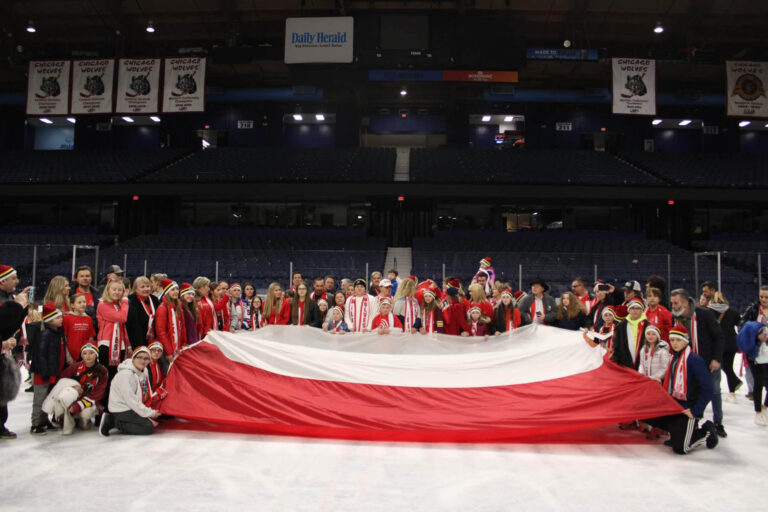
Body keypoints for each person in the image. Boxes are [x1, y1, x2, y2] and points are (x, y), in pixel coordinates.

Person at [645, 325, 718, 455]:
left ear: (685, 341)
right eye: (672, 340)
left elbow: (708, 389)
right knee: (647, 412)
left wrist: (696, 411)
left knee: (681, 448)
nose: (674, 343)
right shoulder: (674, 358)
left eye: (678, 340)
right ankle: (677, 431)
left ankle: (706, 430)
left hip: (688, 409)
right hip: (674, 405)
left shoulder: (694, 360)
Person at [670, 288, 726, 437]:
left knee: (713, 390)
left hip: (708, 361)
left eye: (676, 303)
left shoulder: (704, 314)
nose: (673, 306)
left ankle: (718, 422)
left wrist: (716, 359)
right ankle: (693, 421)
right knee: (691, 392)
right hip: (687, 363)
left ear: (686, 303)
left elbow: (719, 337)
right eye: (672, 303)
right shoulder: (675, 317)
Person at [42, 343, 106, 435]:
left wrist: (76, 407)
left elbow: (98, 394)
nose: (88, 356)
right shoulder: (76, 366)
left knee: (86, 414)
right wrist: (72, 386)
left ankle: (82, 419)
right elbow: (62, 379)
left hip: (89, 400)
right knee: (65, 397)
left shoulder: (102, 371)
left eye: (91, 353)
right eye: (85, 353)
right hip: (75, 398)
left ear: (96, 355)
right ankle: (67, 417)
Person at [99, 346, 160, 437]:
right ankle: (113, 421)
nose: (143, 361)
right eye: (139, 357)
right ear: (133, 358)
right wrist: (149, 412)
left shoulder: (144, 371)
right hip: (122, 409)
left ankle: (124, 421)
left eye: (146, 358)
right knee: (147, 427)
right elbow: (131, 400)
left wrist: (149, 409)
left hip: (133, 406)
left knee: (156, 419)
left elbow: (146, 391)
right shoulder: (126, 375)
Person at [96, 279, 130, 400]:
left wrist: (128, 344)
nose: (117, 292)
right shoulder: (102, 304)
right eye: (114, 289)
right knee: (107, 376)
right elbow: (122, 318)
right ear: (108, 290)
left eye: (120, 290)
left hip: (120, 344)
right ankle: (104, 403)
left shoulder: (119, 305)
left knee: (116, 376)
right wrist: (125, 301)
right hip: (106, 344)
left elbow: (123, 327)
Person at [708, 291, 742, 405]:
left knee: (724, 368)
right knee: (728, 367)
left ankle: (733, 384)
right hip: (731, 343)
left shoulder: (710, 312)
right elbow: (739, 324)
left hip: (719, 344)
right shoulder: (733, 312)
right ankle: (732, 391)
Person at [739, 285, 768, 400]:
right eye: (761, 296)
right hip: (756, 350)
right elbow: (742, 326)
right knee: (758, 381)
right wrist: (755, 335)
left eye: (766, 297)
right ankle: (758, 410)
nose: (763, 299)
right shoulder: (753, 309)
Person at [737, 321, 768, 425]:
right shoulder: (751, 328)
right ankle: (758, 411)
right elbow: (747, 347)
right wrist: (758, 341)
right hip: (755, 357)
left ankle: (765, 407)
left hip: (764, 355)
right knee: (758, 383)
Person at [611, 299, 649, 370]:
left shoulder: (648, 326)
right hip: (625, 365)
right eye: (632, 308)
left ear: (642, 310)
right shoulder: (621, 326)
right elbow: (617, 345)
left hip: (644, 364)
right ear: (629, 310)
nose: (635, 310)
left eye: (638, 308)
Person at [155, 279, 186, 362]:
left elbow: (182, 327)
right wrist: (169, 352)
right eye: (172, 289)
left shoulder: (178, 306)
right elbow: (161, 332)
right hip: (167, 349)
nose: (176, 292)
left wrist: (183, 343)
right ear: (167, 292)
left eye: (177, 289)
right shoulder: (162, 308)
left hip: (178, 347)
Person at [126, 276, 160, 351]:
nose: (146, 289)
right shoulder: (131, 301)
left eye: (148, 286)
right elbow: (130, 325)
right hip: (136, 339)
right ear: (135, 289)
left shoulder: (154, 299)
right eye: (142, 287)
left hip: (154, 339)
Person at [62, 293, 96, 362]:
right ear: (72, 305)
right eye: (79, 302)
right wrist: (68, 357)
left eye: (84, 302)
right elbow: (64, 338)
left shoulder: (88, 319)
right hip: (70, 356)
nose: (83, 304)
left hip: (84, 355)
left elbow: (90, 338)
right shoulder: (67, 318)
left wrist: (88, 354)